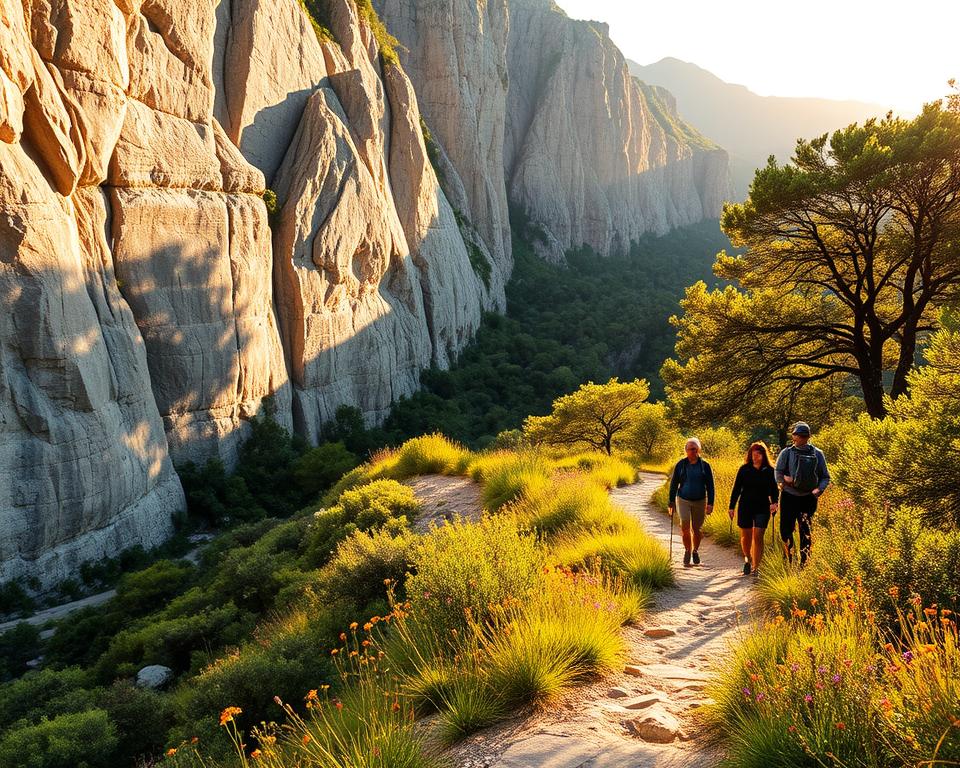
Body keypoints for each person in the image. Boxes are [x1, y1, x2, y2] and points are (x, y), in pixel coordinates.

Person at [775, 422, 830, 566]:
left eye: (801, 435)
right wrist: (784, 481)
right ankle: (790, 559)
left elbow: (825, 476)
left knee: (804, 531)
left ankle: (802, 563)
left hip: (807, 497)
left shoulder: (816, 453)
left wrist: (818, 491)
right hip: (792, 496)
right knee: (789, 530)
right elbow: (778, 472)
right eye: (799, 435)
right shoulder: (787, 453)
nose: (799, 437)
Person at [728, 442, 779, 577]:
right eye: (753, 454)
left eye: (759, 454)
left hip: (762, 507)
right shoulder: (744, 469)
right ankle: (747, 559)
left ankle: (757, 567)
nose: (755, 456)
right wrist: (731, 506)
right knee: (746, 536)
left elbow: (774, 489)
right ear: (750, 455)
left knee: (758, 536)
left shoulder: (769, 471)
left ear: (763, 455)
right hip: (745, 506)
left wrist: (775, 503)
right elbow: (736, 489)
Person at [668, 438, 715, 567]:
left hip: (700, 500)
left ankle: (695, 550)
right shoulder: (681, 465)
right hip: (683, 499)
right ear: (686, 451)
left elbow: (711, 486)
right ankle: (687, 550)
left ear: (698, 449)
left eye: (695, 449)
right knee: (685, 526)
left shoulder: (705, 466)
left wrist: (710, 503)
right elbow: (674, 484)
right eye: (690, 449)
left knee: (697, 529)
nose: (693, 451)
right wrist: (671, 502)